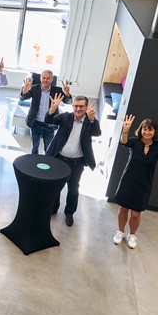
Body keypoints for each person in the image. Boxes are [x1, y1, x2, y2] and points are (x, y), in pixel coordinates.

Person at [113, 116, 158, 248]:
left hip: (144, 185)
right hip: (128, 181)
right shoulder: (134, 142)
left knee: (136, 214)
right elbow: (124, 141)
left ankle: (132, 235)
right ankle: (120, 232)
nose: (147, 132)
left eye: (150, 130)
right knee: (123, 208)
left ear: (154, 132)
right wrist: (125, 130)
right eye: (144, 129)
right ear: (141, 130)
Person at [45, 94, 101, 226]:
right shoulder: (65, 117)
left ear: (86, 108)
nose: (78, 109)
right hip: (60, 159)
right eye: (76, 106)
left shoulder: (89, 122)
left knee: (73, 189)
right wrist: (52, 110)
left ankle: (69, 213)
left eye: (81, 106)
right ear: (72, 106)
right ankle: (53, 208)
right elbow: (50, 120)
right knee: (56, 185)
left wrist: (92, 120)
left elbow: (97, 133)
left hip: (77, 163)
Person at [19, 70, 71, 155]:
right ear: (40, 78)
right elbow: (22, 98)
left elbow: (68, 101)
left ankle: (47, 162)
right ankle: (34, 161)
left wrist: (67, 93)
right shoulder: (34, 88)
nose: (45, 80)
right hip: (35, 123)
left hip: (50, 124)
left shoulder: (57, 90)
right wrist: (24, 89)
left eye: (48, 78)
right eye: (43, 78)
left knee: (49, 148)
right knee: (34, 147)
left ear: (51, 79)